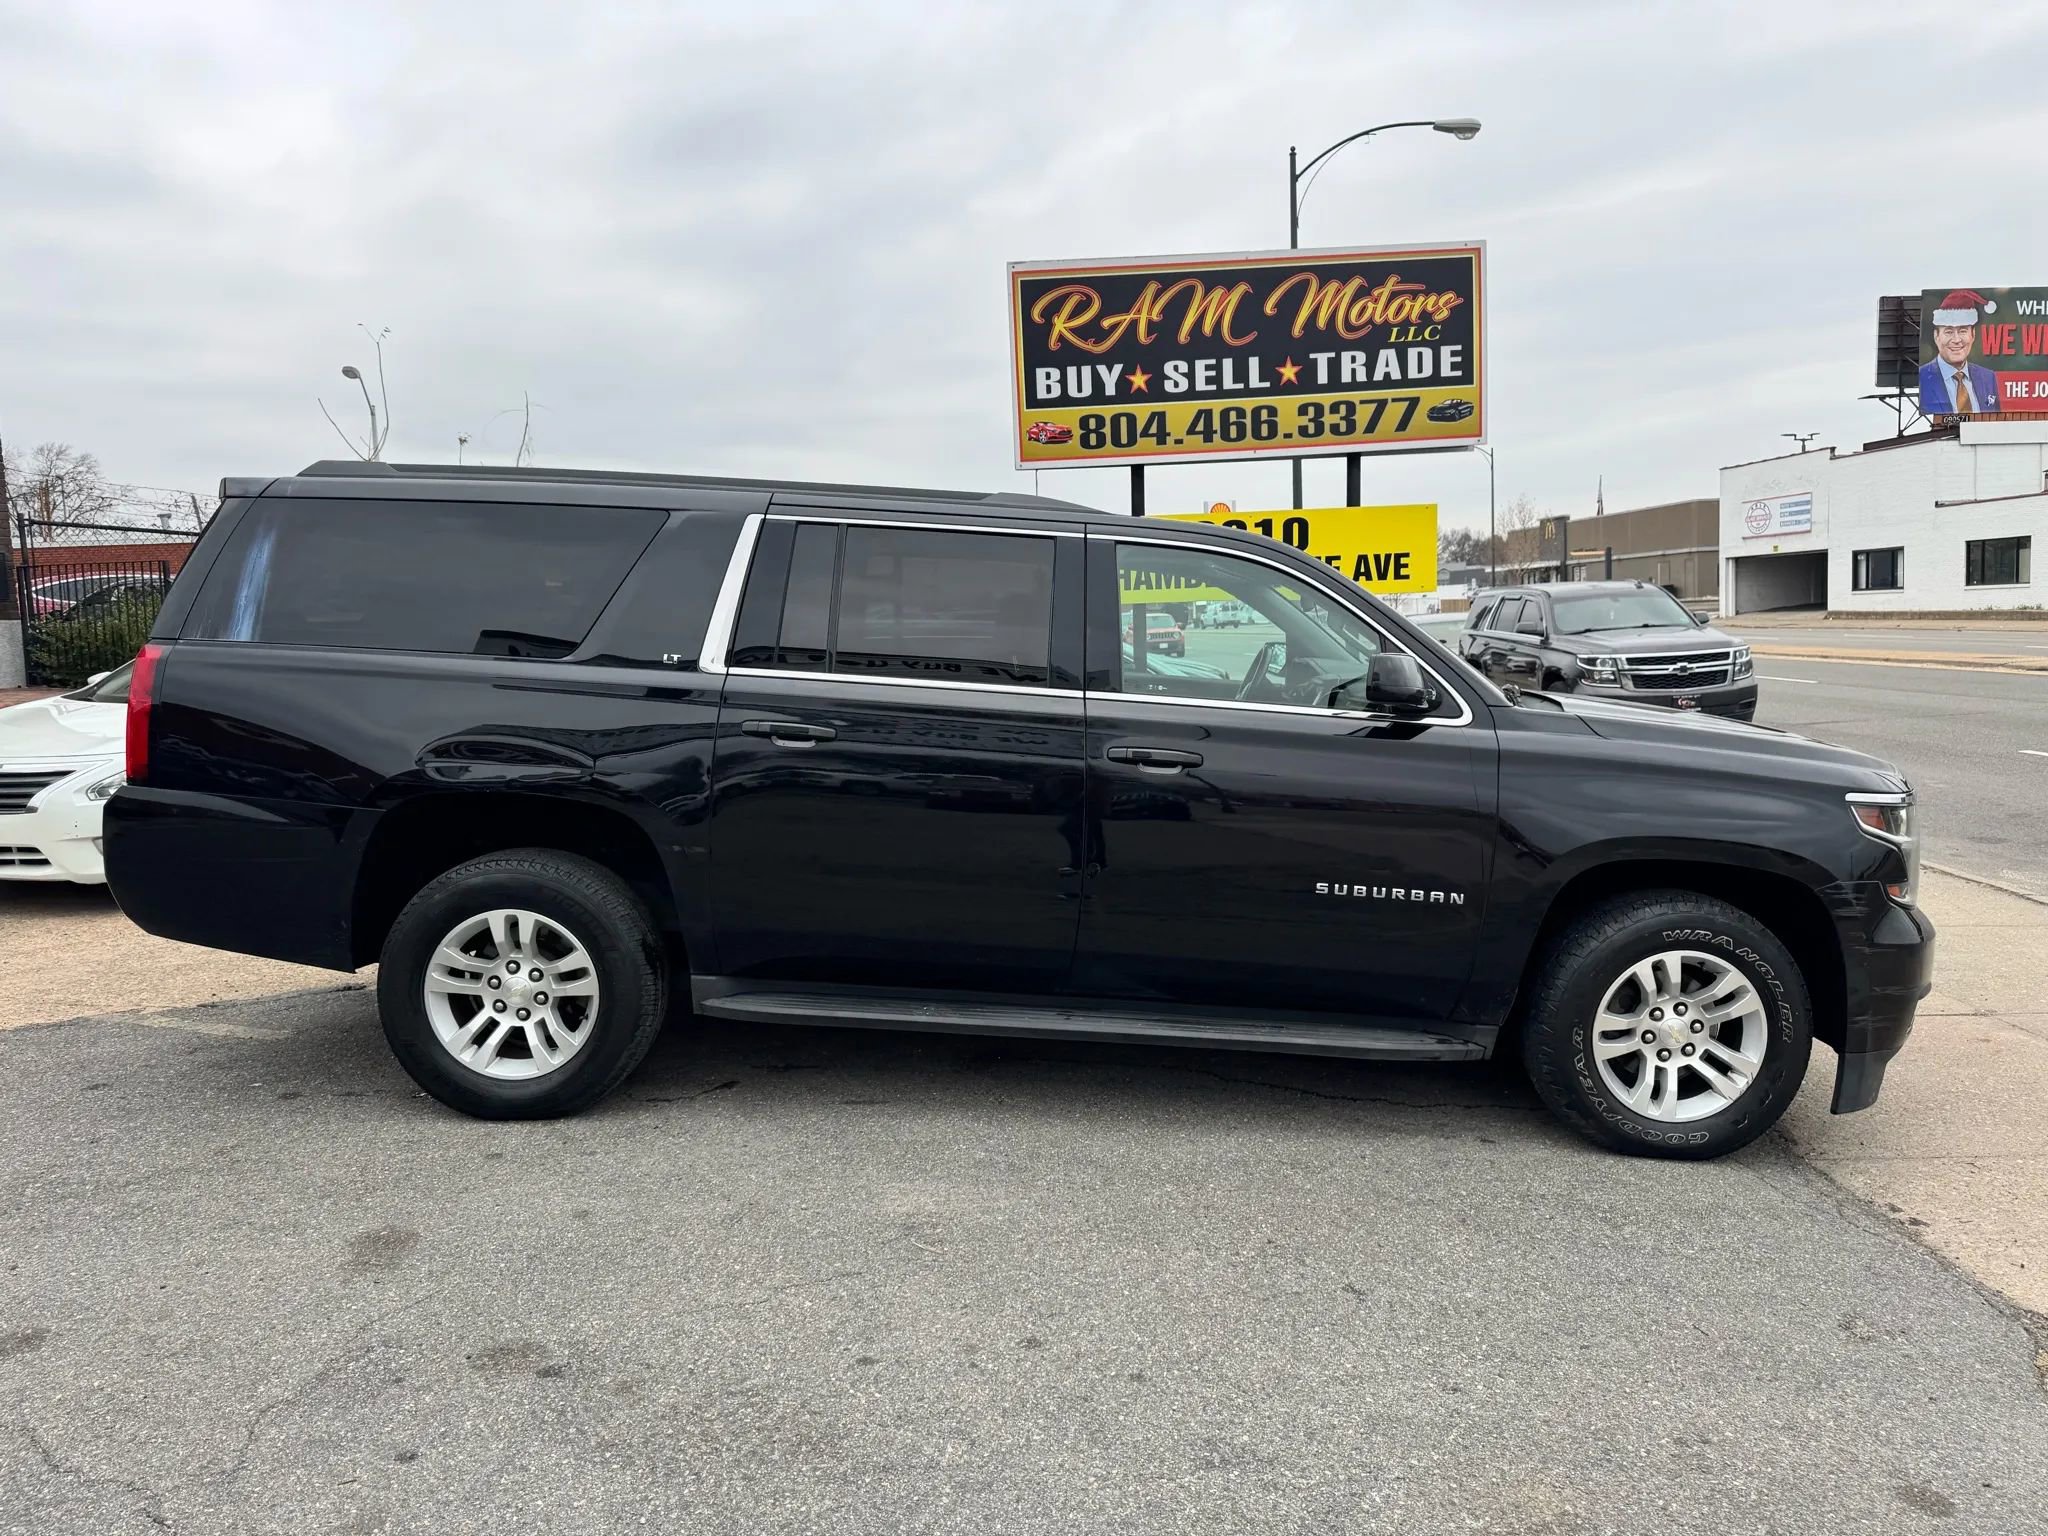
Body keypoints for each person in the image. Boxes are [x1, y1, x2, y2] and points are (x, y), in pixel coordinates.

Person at [1919, 290, 2002, 415]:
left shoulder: (1988, 377)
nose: (1957, 340)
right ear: (1936, 336)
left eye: (1963, 331)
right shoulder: (1923, 377)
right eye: (1948, 332)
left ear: (1973, 334)